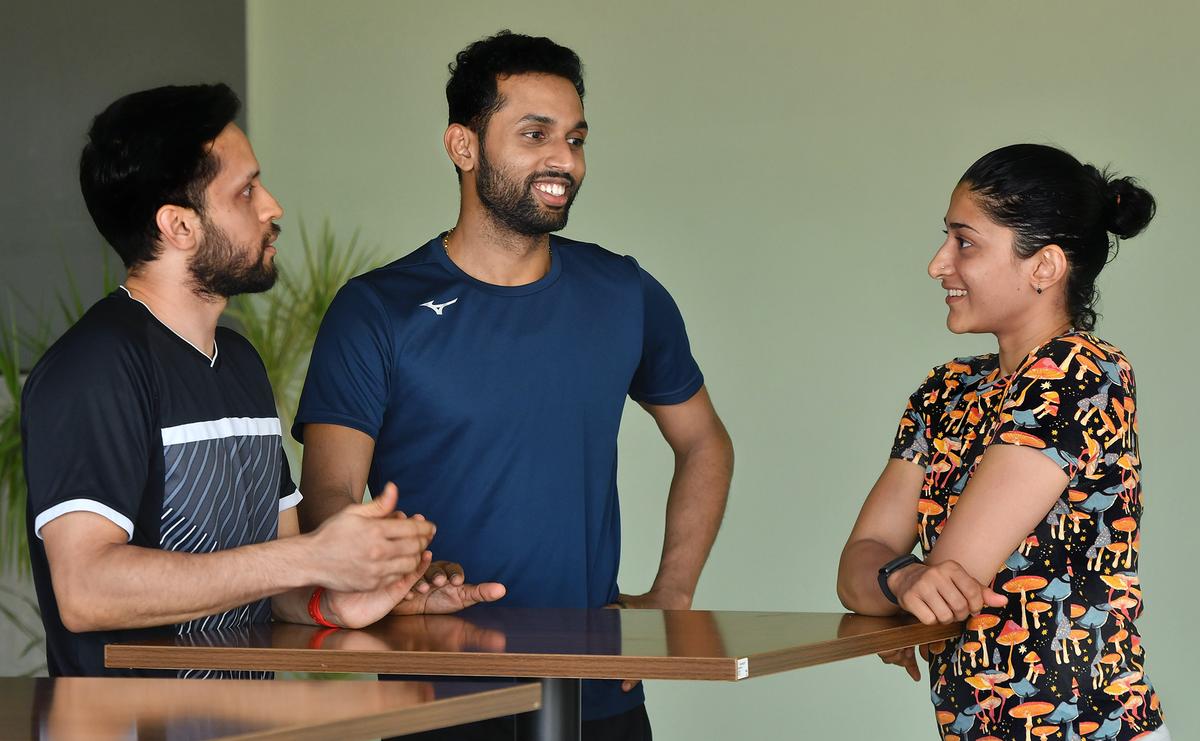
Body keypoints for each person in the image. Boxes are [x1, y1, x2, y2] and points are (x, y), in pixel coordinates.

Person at [294, 31, 734, 738]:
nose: (565, 159)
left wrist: (670, 595)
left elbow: (704, 440)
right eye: (535, 134)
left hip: (599, 700)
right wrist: (392, 579)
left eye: (576, 137)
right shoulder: (376, 309)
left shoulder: (623, 292)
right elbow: (329, 497)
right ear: (463, 146)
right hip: (433, 700)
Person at [22, 83, 501, 678]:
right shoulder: (95, 367)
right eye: (245, 191)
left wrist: (346, 602)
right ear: (178, 226)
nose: (271, 206)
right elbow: (86, 591)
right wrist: (307, 555)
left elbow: (273, 587)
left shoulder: (241, 363)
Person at [837, 144, 1167, 740]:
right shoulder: (945, 390)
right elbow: (861, 558)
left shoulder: (1082, 374)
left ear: (1044, 267)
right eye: (946, 239)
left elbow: (953, 575)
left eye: (965, 242)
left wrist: (900, 582)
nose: (938, 264)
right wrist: (903, 582)